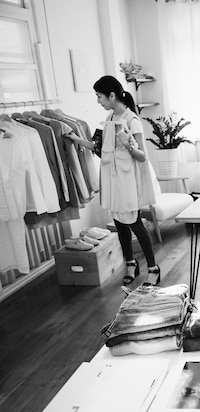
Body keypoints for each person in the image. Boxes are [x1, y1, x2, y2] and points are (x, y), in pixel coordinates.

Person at [70, 75, 160, 285]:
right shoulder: (109, 119)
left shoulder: (132, 120)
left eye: (99, 96)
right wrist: (76, 140)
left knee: (135, 224)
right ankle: (130, 263)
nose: (98, 101)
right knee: (120, 225)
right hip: (112, 181)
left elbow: (142, 156)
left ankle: (153, 268)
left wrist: (127, 144)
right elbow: (99, 148)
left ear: (112, 95)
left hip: (128, 183)